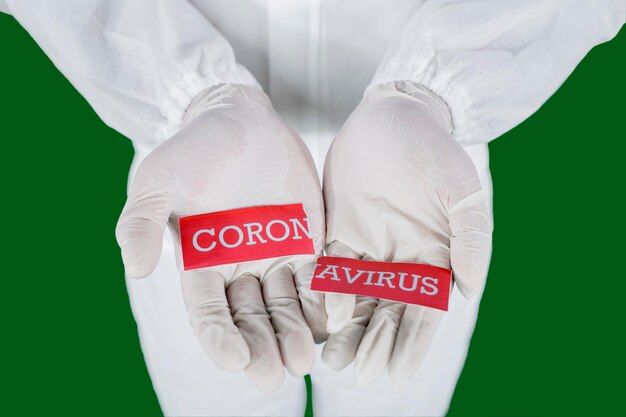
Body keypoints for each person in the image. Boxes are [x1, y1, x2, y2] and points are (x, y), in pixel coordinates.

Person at [1, 1, 622, 416]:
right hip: (203, 175)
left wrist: (432, 91)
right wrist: (192, 93)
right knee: (220, 389)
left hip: (417, 185)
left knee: (392, 391)